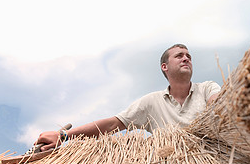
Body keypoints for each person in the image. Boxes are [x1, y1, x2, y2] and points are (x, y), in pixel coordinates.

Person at [36, 44, 221, 151]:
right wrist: (64, 135)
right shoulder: (151, 102)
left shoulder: (207, 88)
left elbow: (219, 107)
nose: (186, 58)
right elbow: (112, 124)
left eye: (188, 56)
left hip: (215, 162)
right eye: (179, 56)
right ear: (165, 66)